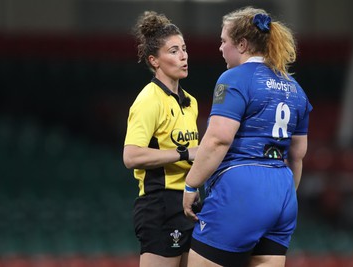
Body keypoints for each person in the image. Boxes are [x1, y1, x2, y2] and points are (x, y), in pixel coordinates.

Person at [182, 6, 312, 267]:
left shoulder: (234, 78)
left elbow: (218, 139)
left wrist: (191, 185)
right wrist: (278, 199)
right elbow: (297, 156)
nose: (220, 48)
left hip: (242, 187)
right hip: (283, 193)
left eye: (223, 41)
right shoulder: (295, 87)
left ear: (241, 44)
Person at [123, 11, 200, 267]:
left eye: (184, 49)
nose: (183, 56)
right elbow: (131, 156)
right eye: (174, 51)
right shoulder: (148, 100)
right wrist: (184, 153)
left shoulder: (191, 103)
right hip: (159, 204)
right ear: (154, 60)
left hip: (190, 203)